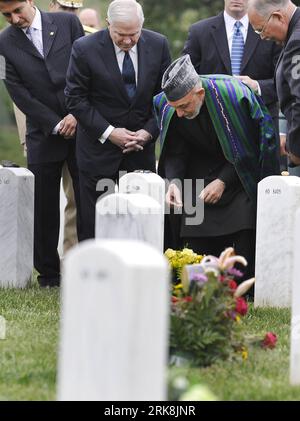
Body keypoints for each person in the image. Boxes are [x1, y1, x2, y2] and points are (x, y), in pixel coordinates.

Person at [155, 55, 280, 280]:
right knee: (193, 231)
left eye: (184, 106)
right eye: (176, 108)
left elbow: (249, 147)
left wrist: (223, 181)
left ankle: (241, 283)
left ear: (199, 93)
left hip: (239, 173)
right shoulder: (171, 107)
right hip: (198, 170)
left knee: (243, 225)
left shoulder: (234, 96)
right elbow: (175, 152)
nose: (180, 114)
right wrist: (173, 182)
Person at [65, 0, 171, 240]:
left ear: (142, 26)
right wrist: (109, 132)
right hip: (97, 151)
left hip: (140, 150)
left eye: (133, 34)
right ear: (107, 24)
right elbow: (75, 99)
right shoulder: (84, 48)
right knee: (94, 224)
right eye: (120, 34)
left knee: (140, 224)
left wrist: (148, 132)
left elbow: (164, 98)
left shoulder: (158, 45)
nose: (127, 40)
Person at [0, 0, 85, 287]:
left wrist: (76, 113)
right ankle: (49, 275)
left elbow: (85, 67)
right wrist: (55, 123)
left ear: (30, 3)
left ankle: (85, 265)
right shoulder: (3, 42)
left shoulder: (68, 24)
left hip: (81, 126)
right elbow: (17, 91)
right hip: (42, 133)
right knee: (43, 208)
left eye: (17, 11)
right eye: (6, 15)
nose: (13, 18)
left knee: (84, 200)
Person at [183, 0, 281, 148]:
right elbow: (186, 79)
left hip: (261, 129)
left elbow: (284, 81)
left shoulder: (270, 30)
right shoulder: (199, 32)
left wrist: (258, 86)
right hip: (213, 131)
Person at [248, 0, 300, 166]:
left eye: (261, 29)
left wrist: (297, 149)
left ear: (278, 17)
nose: (263, 37)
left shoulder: (296, 43)